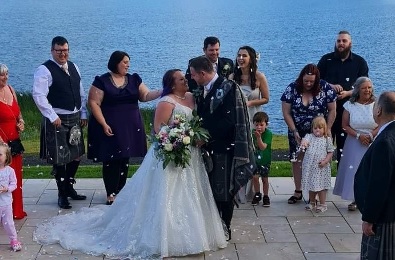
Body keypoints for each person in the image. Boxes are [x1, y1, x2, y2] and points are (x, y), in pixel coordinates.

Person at [34, 69, 228, 259]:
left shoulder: (192, 97)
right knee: (166, 193)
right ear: (171, 83)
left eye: (185, 78)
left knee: (190, 191)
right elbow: (159, 129)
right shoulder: (166, 102)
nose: (185, 80)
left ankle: (194, 232)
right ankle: (164, 236)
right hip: (171, 152)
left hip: (190, 154)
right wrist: (175, 141)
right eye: (180, 79)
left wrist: (194, 137)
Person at [189, 56, 255, 240]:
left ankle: (225, 228)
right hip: (209, 149)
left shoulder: (228, 88)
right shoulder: (203, 89)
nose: (192, 78)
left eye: (194, 75)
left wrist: (205, 137)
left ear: (202, 73)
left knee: (224, 191)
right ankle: (213, 227)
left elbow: (229, 121)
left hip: (225, 148)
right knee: (210, 189)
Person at [87, 51, 161, 205]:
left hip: (130, 125)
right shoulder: (101, 81)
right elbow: (94, 102)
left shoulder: (134, 79)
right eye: (125, 62)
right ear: (116, 62)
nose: (128, 65)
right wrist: (103, 123)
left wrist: (163, 91)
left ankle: (121, 190)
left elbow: (145, 95)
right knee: (111, 159)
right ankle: (111, 193)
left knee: (125, 157)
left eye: (128, 62)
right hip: (110, 125)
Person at [32, 36, 88, 209]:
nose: (63, 54)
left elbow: (80, 92)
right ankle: (61, 194)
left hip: (75, 116)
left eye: (65, 50)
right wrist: (51, 115)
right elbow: (38, 95)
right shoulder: (44, 70)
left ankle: (69, 187)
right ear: (52, 50)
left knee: (77, 155)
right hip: (57, 119)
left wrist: (83, 112)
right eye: (59, 51)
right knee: (61, 158)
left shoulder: (74, 66)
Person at [281, 64, 336, 204]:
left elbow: (332, 110)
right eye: (306, 81)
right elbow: (286, 112)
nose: (309, 84)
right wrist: (294, 130)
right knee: (298, 159)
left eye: (312, 81)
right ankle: (298, 190)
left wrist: (327, 129)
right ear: (301, 78)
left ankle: (317, 191)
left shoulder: (325, 88)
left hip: (318, 131)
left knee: (318, 160)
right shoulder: (292, 88)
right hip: (297, 131)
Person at [354, 91, 395, 260]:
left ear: (378, 110)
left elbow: (379, 184)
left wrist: (369, 218)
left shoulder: (385, 141)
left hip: (383, 218)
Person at [317, 30, 369, 164]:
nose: (341, 43)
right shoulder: (326, 60)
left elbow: (364, 86)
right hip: (326, 112)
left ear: (350, 43)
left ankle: (341, 182)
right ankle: (321, 182)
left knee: (344, 151)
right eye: (339, 41)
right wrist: (330, 86)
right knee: (322, 148)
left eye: (344, 41)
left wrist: (347, 93)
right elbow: (315, 81)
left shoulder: (360, 62)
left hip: (348, 114)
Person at [229, 45, 270, 203]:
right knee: (240, 151)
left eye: (244, 56)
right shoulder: (233, 77)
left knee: (253, 152)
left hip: (254, 117)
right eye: (239, 55)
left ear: (251, 58)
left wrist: (250, 102)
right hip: (238, 118)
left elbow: (266, 98)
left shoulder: (259, 77)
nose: (240, 58)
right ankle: (238, 189)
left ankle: (254, 190)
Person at [333, 77, 378, 211]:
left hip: (373, 140)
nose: (367, 90)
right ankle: (355, 198)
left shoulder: (377, 104)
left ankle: (372, 198)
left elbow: (382, 123)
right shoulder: (349, 105)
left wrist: (370, 135)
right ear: (357, 89)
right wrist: (359, 136)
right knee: (355, 170)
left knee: (372, 170)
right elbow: (344, 125)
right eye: (364, 88)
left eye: (369, 87)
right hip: (354, 141)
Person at [0, 63, 27, 219]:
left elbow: (18, 113)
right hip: (1, 144)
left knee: (14, 176)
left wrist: (21, 122)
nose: (5, 78)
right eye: (2, 75)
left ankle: (16, 210)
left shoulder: (11, 90)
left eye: (7, 74)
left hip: (14, 140)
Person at [300, 116, 334, 213]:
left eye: (320, 128)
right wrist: (304, 143)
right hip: (310, 167)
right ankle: (312, 202)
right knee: (311, 185)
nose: (317, 130)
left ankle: (323, 204)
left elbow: (330, 152)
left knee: (320, 186)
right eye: (315, 128)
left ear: (324, 129)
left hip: (321, 168)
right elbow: (304, 141)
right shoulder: (309, 136)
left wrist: (325, 161)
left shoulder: (327, 139)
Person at [0, 143, 22, 251]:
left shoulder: (10, 171)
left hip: (6, 203)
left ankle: (14, 240)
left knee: (9, 223)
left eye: (0, 154)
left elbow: (14, 184)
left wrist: (7, 189)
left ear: (6, 156)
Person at [250, 112, 272, 207]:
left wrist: (258, 138)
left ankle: (266, 196)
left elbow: (263, 147)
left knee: (264, 179)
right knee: (255, 178)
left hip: (265, 161)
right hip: (255, 160)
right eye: (257, 125)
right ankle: (257, 193)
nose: (259, 127)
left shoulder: (268, 134)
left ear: (266, 124)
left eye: (261, 125)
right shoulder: (252, 133)